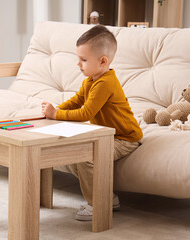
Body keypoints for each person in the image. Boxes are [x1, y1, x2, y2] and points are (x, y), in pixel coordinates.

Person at [41, 25, 143, 221]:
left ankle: (98, 204)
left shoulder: (105, 83)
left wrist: (56, 114)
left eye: (84, 60)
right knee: (73, 154)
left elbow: (85, 113)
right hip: (105, 134)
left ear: (103, 61)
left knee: (87, 157)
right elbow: (77, 101)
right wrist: (55, 110)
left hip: (124, 138)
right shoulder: (91, 80)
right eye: (78, 58)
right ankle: (108, 198)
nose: (78, 64)